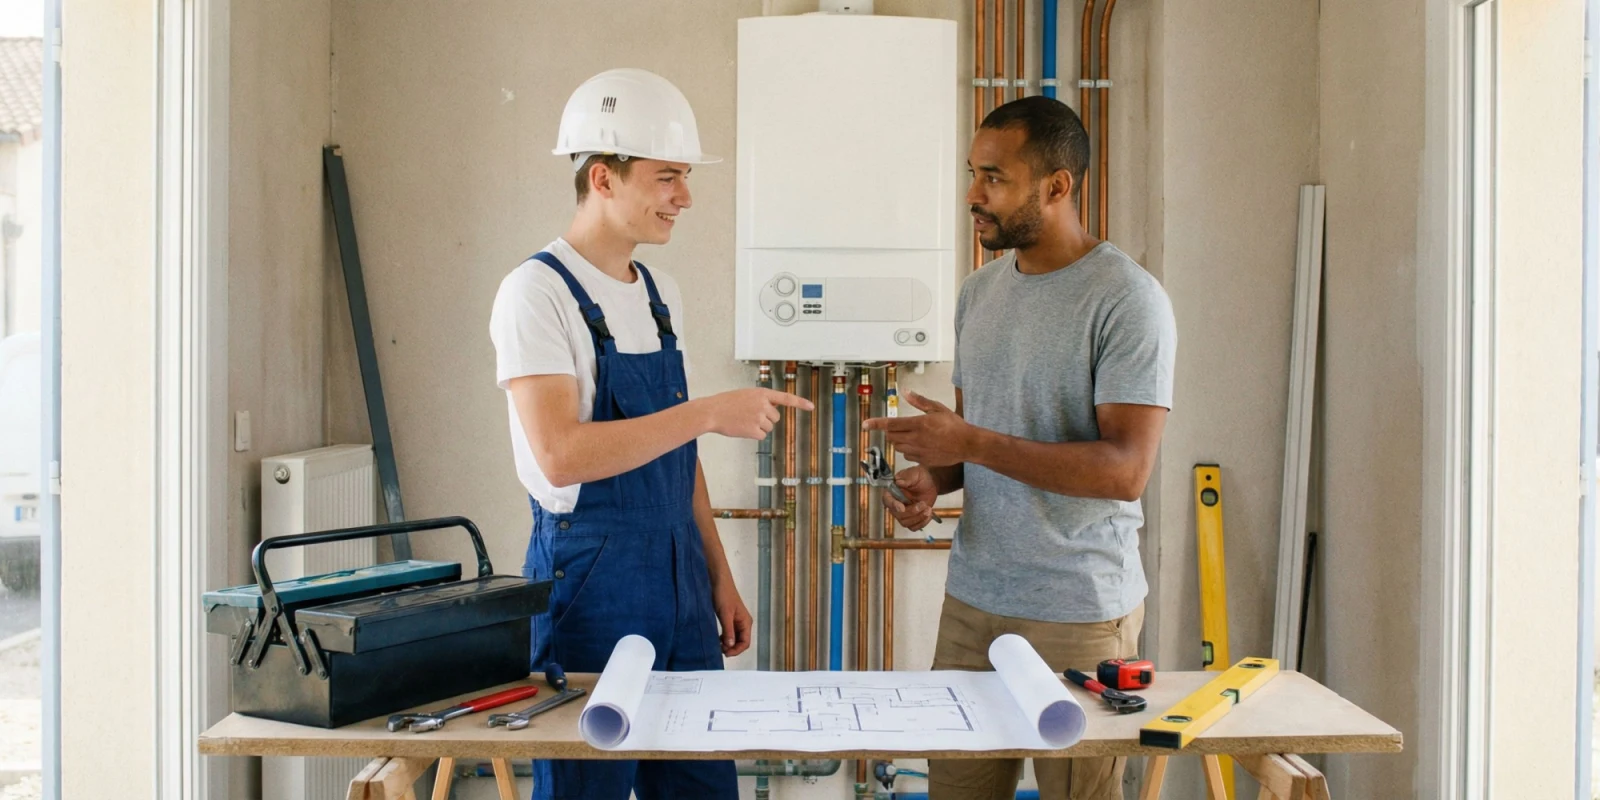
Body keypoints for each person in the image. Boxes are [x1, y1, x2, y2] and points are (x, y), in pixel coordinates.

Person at [489, 67, 812, 800]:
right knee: (587, 788)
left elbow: (677, 456)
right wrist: (705, 411)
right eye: (668, 177)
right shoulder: (536, 293)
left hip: (681, 583)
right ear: (603, 177)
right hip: (590, 581)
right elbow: (561, 453)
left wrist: (718, 578)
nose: (685, 198)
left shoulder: (659, 294)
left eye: (685, 178)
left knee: (701, 785)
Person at [867, 95, 1177, 800]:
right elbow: (988, 438)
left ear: (1057, 186)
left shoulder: (1127, 300)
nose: (974, 195)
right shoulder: (979, 294)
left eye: (994, 178)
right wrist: (935, 476)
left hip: (1078, 611)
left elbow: (1126, 470)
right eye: (973, 174)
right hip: (973, 600)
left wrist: (969, 439)